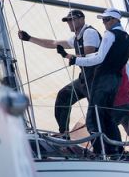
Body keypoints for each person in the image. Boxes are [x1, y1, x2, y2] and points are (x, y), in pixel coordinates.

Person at [61, 8, 129, 156]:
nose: (104, 23)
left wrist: (74, 59)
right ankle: (117, 151)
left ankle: (100, 152)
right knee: (106, 116)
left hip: (103, 80)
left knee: (93, 118)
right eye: (103, 20)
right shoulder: (127, 38)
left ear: (115, 20)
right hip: (115, 81)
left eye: (106, 20)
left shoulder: (110, 35)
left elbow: (99, 58)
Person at [18, 9, 101, 137]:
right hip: (85, 79)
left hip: (97, 81)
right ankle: (64, 134)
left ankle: (104, 149)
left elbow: (88, 54)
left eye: (71, 19)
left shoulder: (89, 32)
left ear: (81, 19)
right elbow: (53, 43)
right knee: (64, 96)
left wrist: (68, 55)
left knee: (95, 117)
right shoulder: (76, 38)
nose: (69, 23)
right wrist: (29, 38)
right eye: (67, 21)